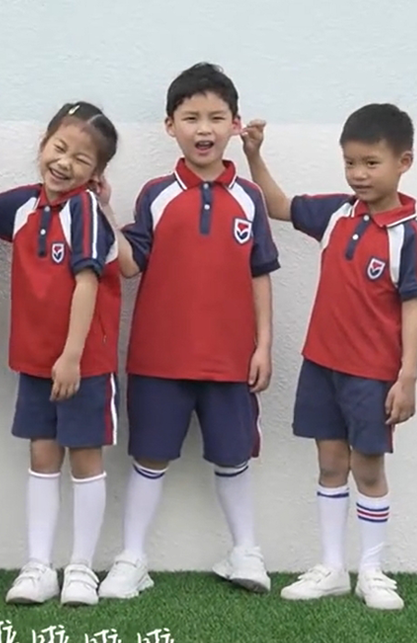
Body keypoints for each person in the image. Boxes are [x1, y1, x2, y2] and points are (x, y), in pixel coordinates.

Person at [240, 103, 417, 611]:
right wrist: (254, 154)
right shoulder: (336, 214)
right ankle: (332, 568)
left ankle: (372, 570)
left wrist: (407, 377)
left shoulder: (408, 233)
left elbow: (413, 307)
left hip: (372, 376)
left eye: (371, 163)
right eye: (350, 163)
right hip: (321, 366)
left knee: (367, 469)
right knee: (329, 464)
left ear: (403, 162)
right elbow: (277, 205)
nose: (359, 174)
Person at [100, 63, 279, 600]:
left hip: (231, 359)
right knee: (149, 458)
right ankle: (133, 558)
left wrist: (264, 345)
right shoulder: (155, 194)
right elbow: (129, 265)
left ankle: (245, 551)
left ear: (235, 125)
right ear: (170, 126)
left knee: (234, 456)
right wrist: (103, 207)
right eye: (191, 117)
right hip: (159, 358)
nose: (204, 129)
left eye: (216, 117)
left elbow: (261, 273)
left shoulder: (249, 198)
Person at [0, 101, 121, 606]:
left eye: (81, 159)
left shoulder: (86, 211)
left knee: (85, 457)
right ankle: (39, 565)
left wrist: (73, 355)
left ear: (96, 174)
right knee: (41, 455)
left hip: (83, 364)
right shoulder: (24, 205)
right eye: (59, 148)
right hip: (36, 362)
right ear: (43, 145)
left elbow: (88, 282)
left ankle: (80, 567)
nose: (64, 163)